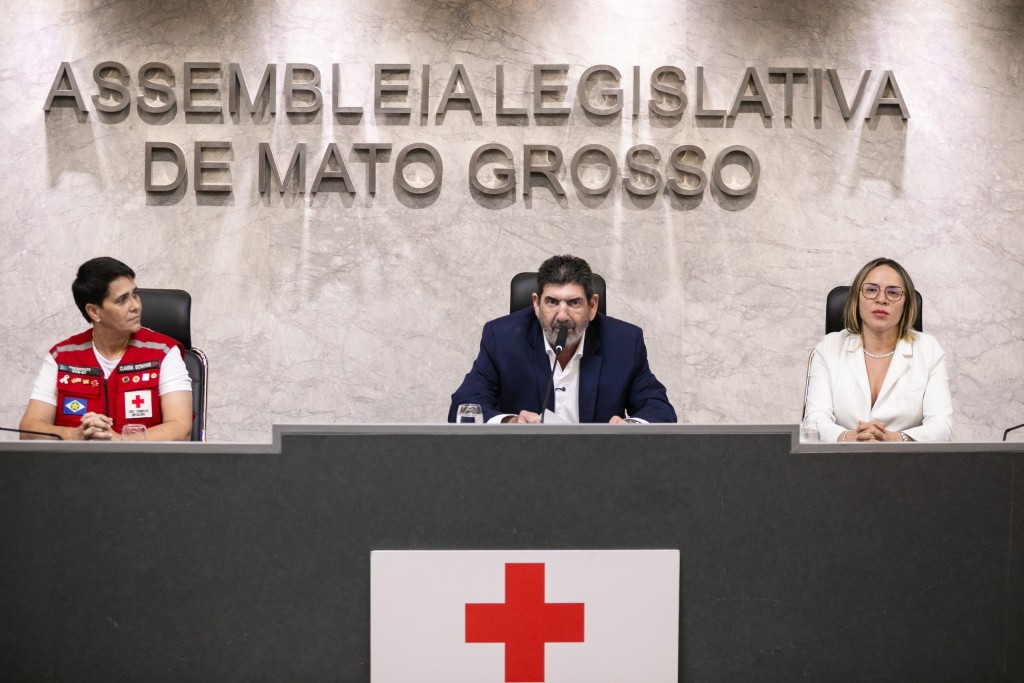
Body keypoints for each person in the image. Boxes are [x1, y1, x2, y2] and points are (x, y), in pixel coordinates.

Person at [449, 254, 677, 424]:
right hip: (524, 463)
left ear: (592, 306)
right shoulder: (502, 338)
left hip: (600, 464)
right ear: (536, 304)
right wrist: (510, 422)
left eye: (574, 303)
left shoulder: (624, 342)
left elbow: (660, 410)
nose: (562, 316)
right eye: (552, 302)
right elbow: (464, 407)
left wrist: (631, 425)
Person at [19, 257, 193, 441]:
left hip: (142, 459)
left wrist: (120, 441)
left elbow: (180, 429)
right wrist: (74, 435)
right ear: (94, 312)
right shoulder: (61, 357)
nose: (136, 306)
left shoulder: (164, 352)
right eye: (122, 300)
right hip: (77, 459)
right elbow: (29, 430)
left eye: (135, 294)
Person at [804, 257, 953, 442]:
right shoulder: (828, 348)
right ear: (857, 298)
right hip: (842, 457)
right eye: (871, 290)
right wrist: (848, 437)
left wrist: (895, 439)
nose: (881, 299)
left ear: (906, 304)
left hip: (906, 458)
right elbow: (814, 420)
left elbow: (942, 427)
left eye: (893, 293)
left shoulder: (929, 350)